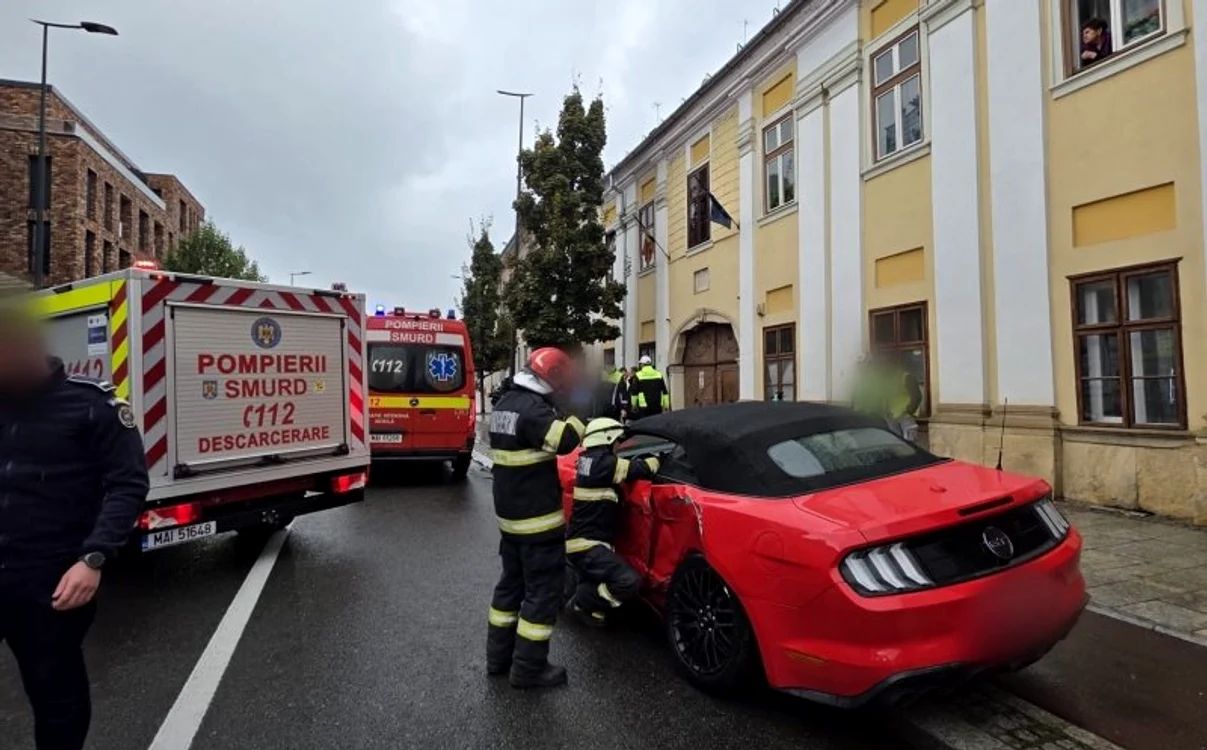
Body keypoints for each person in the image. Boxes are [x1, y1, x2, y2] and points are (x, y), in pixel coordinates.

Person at [0, 303, 149, 750]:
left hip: (51, 584)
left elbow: (128, 484)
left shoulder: (91, 407)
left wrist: (94, 557)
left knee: (55, 696)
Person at [486, 347, 585, 689]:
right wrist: (579, 410)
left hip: (510, 522)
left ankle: (498, 659)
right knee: (542, 594)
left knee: (509, 591)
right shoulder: (534, 411)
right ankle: (529, 669)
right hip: (537, 523)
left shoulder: (504, 405)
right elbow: (566, 440)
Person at [565, 418, 659, 627]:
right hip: (588, 547)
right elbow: (641, 468)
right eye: (617, 441)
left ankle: (591, 602)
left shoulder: (588, 460)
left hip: (582, 544)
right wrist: (656, 460)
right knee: (629, 581)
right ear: (607, 438)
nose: (618, 446)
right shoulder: (603, 463)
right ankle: (584, 600)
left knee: (611, 578)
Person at [851, 351, 922, 441]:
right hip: (890, 416)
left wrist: (909, 410)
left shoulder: (906, 377)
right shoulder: (882, 380)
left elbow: (917, 396)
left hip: (904, 416)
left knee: (909, 443)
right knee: (895, 442)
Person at [628, 355, 670, 420]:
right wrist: (666, 405)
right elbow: (664, 391)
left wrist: (634, 405)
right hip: (657, 404)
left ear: (642, 365)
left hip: (644, 405)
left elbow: (634, 393)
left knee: (645, 424)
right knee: (656, 422)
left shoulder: (638, 375)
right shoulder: (659, 374)